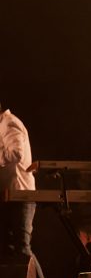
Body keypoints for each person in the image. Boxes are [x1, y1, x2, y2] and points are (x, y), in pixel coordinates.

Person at [0, 103, 36, 259]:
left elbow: (16, 154)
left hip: (20, 195)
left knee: (22, 249)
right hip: (11, 195)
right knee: (10, 249)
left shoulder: (9, 123)